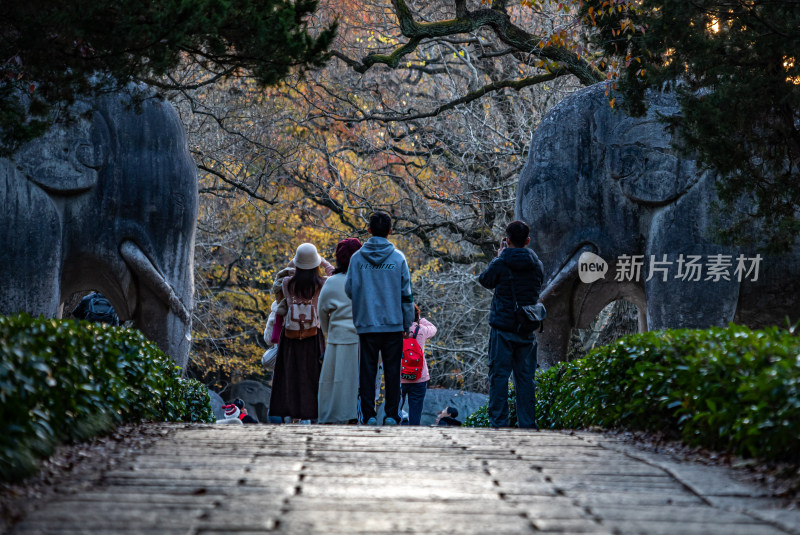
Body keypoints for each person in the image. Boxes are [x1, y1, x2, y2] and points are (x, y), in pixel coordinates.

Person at [345, 212, 414, 426]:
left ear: (369, 230)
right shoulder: (398, 258)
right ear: (390, 231)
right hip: (393, 325)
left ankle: (368, 415)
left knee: (367, 371)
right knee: (393, 372)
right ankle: (392, 415)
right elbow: (406, 294)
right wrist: (407, 322)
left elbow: (349, 289)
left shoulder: (357, 259)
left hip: (366, 324)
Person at [478, 220, 544, 429]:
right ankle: (527, 424)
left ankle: (499, 424)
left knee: (499, 377)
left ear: (507, 240)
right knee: (525, 379)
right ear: (528, 241)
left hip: (502, 330)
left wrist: (499, 256)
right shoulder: (537, 264)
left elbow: (485, 280)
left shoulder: (501, 263)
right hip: (526, 329)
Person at [268, 243, 334, 423]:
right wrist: (323, 261)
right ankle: (313, 414)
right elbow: (335, 275)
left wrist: (296, 261)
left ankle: (292, 414)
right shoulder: (323, 284)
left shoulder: (287, 283)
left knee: (290, 374)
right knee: (312, 376)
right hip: (314, 336)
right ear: (315, 264)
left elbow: (285, 273)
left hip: (290, 337)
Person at [317, 238, 363, 424]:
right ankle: (355, 418)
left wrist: (330, 332)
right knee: (357, 384)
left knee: (332, 384)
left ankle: (330, 418)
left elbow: (322, 313)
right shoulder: (365, 281)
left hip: (337, 339)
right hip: (361, 340)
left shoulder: (331, 282)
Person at [400, 304, 437, 426]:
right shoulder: (422, 330)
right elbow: (433, 328)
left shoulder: (395, 330)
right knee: (415, 414)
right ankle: (413, 436)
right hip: (419, 377)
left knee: (394, 412)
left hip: (399, 377)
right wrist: (419, 319)